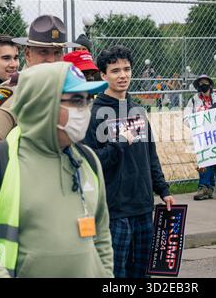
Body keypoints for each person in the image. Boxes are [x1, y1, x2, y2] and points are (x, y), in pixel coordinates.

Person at [0, 62, 113, 278]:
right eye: (75, 101)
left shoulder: (87, 161)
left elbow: (101, 235)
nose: (85, 110)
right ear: (43, 105)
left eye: (87, 100)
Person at [83, 45, 175, 278]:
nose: (123, 75)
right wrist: (120, 143)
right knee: (115, 274)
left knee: (143, 273)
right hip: (115, 211)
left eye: (126, 69)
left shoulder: (137, 111)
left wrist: (163, 189)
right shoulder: (92, 115)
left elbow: (150, 154)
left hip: (144, 206)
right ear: (103, 75)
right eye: (115, 71)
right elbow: (90, 164)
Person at [0, 15, 81, 152]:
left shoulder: (67, 90)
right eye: (44, 52)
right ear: (28, 54)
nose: (52, 60)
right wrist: (27, 162)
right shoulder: (15, 90)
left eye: (57, 52)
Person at [184, 74, 216, 200]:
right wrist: (196, 125)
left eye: (205, 83)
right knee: (203, 161)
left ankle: (210, 187)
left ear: (210, 85)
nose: (202, 85)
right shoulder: (194, 100)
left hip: (214, 134)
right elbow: (186, 116)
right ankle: (203, 186)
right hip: (200, 134)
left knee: (215, 160)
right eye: (200, 83)